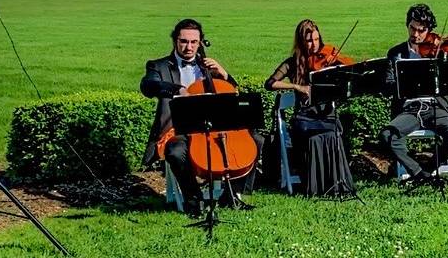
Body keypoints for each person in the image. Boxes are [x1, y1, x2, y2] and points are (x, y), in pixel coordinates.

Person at [140, 18, 264, 217]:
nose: (189, 47)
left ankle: (232, 194)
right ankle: (194, 199)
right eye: (183, 41)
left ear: (200, 43)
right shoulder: (159, 66)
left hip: (211, 126)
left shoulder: (207, 66)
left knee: (256, 140)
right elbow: (148, 86)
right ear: (175, 41)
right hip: (178, 128)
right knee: (175, 151)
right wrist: (177, 89)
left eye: (193, 42)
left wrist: (224, 74)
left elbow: (232, 92)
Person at [379, 4, 448, 183]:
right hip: (409, 109)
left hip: (436, 107)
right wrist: (403, 84)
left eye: (421, 31)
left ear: (429, 31)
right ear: (407, 26)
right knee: (387, 136)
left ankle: (426, 170)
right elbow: (388, 85)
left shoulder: (439, 52)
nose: (416, 35)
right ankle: (420, 174)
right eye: (412, 28)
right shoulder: (396, 53)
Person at [265, 19, 356, 197]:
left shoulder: (327, 57)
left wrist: (337, 66)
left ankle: (338, 185)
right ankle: (316, 187)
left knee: (333, 132)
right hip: (304, 118)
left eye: (316, 39)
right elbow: (270, 83)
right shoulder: (292, 63)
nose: (314, 45)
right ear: (301, 42)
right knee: (314, 136)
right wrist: (297, 87)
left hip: (326, 115)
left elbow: (350, 70)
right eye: (309, 40)